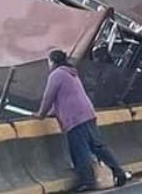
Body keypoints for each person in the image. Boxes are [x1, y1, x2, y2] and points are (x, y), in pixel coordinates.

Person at [35, 50, 130, 191]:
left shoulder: (56, 75)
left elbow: (48, 98)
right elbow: (64, 99)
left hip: (74, 118)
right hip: (87, 113)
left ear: (53, 61)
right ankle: (118, 171)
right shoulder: (70, 73)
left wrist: (40, 114)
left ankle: (87, 181)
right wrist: (50, 113)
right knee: (98, 146)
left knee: (79, 151)